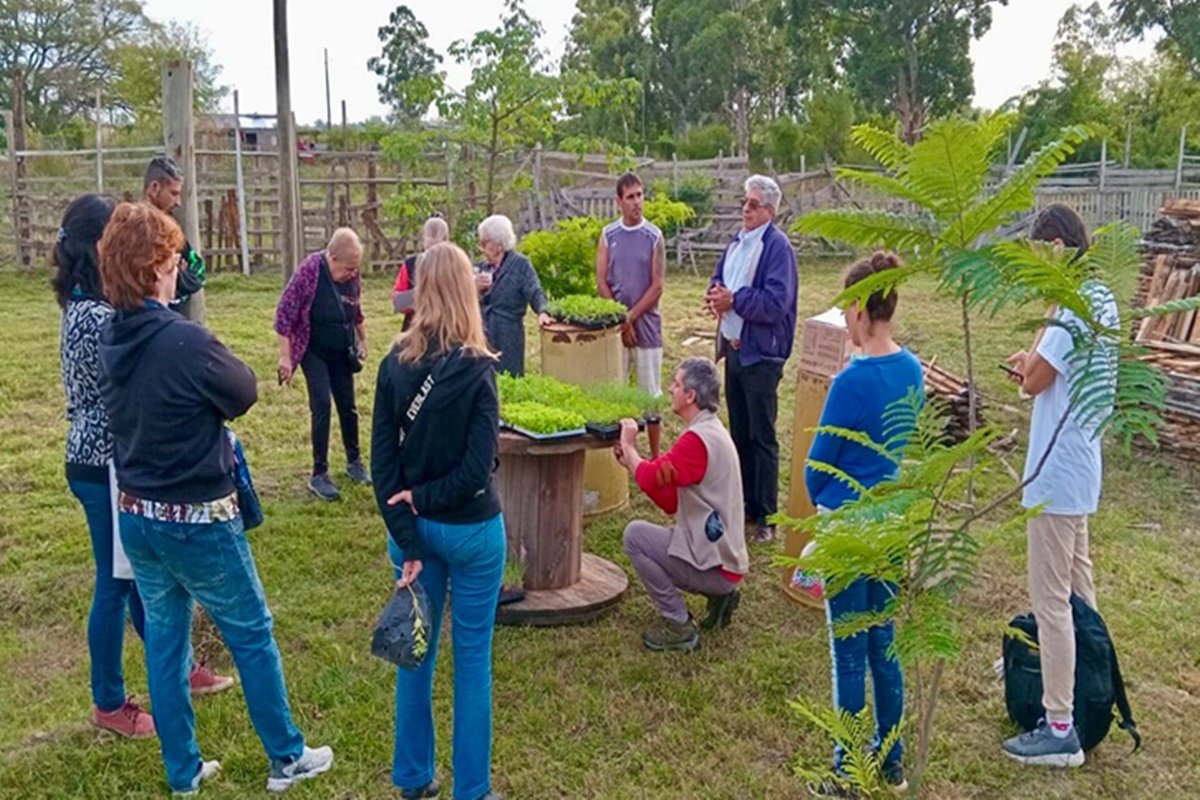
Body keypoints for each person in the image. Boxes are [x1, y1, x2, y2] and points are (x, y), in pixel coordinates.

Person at [96, 202, 332, 795]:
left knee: (167, 642)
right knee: (250, 630)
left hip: (138, 517)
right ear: (152, 269)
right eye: (172, 260)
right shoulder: (182, 340)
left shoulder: (110, 336)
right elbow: (243, 388)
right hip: (197, 517)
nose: (178, 270)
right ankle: (288, 756)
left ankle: (183, 770)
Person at [54, 195, 234, 742]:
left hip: (113, 458)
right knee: (113, 581)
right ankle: (108, 701)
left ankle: (177, 668)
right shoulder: (94, 316)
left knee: (139, 576)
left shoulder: (92, 305)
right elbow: (141, 373)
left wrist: (174, 286)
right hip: (101, 461)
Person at [372, 242, 506, 800]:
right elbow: (478, 469)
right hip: (473, 530)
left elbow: (383, 468)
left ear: (421, 289)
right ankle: (471, 791)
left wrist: (409, 522)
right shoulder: (479, 370)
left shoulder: (392, 366)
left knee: (416, 654)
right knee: (472, 663)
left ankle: (412, 777)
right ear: (468, 291)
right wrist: (426, 502)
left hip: (415, 533)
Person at [1001, 205, 1119, 768]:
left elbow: (1036, 381)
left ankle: (1059, 726)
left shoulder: (1071, 304)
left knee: (1052, 601)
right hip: (1079, 467)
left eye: (1037, 252)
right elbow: (1053, 369)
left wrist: (1028, 365)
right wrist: (1033, 362)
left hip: (1055, 472)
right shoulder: (1099, 297)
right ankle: (1095, 691)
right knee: (1078, 592)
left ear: (1055, 245)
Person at [804, 252, 924, 797]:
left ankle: (847, 768)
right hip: (893, 524)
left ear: (858, 309)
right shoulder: (912, 369)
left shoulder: (851, 381)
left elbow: (818, 464)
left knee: (848, 649)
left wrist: (824, 504)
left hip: (851, 528)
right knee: (884, 643)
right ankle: (892, 759)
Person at [616, 357, 748, 652]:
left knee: (635, 536)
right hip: (726, 559)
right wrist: (632, 463)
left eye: (676, 384)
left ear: (690, 396)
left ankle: (679, 626)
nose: (670, 389)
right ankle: (721, 596)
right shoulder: (710, 429)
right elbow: (668, 497)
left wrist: (628, 446)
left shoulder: (696, 441)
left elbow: (652, 479)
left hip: (719, 567)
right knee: (653, 534)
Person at [705, 174, 798, 543]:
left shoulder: (778, 249)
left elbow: (776, 303)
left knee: (763, 437)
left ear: (770, 212)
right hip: (735, 351)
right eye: (745, 201)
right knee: (740, 433)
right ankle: (744, 504)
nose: (746, 208)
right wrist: (714, 294)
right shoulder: (738, 242)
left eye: (754, 204)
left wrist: (734, 300)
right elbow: (720, 278)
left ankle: (767, 517)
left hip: (762, 355)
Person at [275, 228, 371, 501]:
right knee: (322, 404)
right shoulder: (309, 272)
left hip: (341, 347)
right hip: (313, 349)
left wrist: (363, 340)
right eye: (348, 268)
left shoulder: (352, 273)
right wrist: (285, 356)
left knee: (348, 405)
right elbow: (284, 315)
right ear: (332, 258)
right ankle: (319, 474)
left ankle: (354, 462)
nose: (352, 273)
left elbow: (357, 309)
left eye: (356, 268)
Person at [597, 172, 666, 396]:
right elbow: (601, 281)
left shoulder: (654, 236)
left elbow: (657, 286)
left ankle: (653, 432)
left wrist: (631, 317)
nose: (637, 202)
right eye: (630, 197)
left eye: (639, 195)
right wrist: (621, 321)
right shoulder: (608, 235)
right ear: (619, 202)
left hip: (647, 325)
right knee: (618, 393)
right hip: (616, 327)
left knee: (650, 397)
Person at [475, 214, 552, 376]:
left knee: (510, 377)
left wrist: (543, 311)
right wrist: (473, 288)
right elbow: (462, 297)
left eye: (484, 243)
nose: (481, 248)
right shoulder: (480, 268)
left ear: (499, 244)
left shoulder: (521, 265)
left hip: (508, 334)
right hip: (483, 333)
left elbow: (535, 291)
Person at [142, 156, 206, 321]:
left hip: (174, 319)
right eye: (173, 193)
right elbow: (142, 279)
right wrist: (177, 273)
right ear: (154, 188)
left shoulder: (170, 229)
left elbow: (199, 270)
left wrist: (175, 277)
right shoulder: (131, 231)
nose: (178, 202)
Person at [394, 215, 450, 331]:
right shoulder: (411, 265)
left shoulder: (455, 264)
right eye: (430, 251)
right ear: (424, 240)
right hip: (416, 327)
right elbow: (398, 302)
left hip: (448, 326)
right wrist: (421, 295)